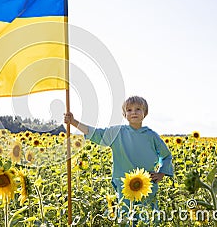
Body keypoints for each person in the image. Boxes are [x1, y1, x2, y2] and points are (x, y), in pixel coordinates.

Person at [64, 96, 173, 224]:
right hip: (124, 185)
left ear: (145, 113)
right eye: (129, 110)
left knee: (147, 218)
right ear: (124, 114)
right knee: (126, 218)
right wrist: (73, 122)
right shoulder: (117, 133)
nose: (134, 112)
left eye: (138, 109)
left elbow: (166, 156)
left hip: (147, 184)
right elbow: (95, 133)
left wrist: (161, 173)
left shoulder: (151, 135)